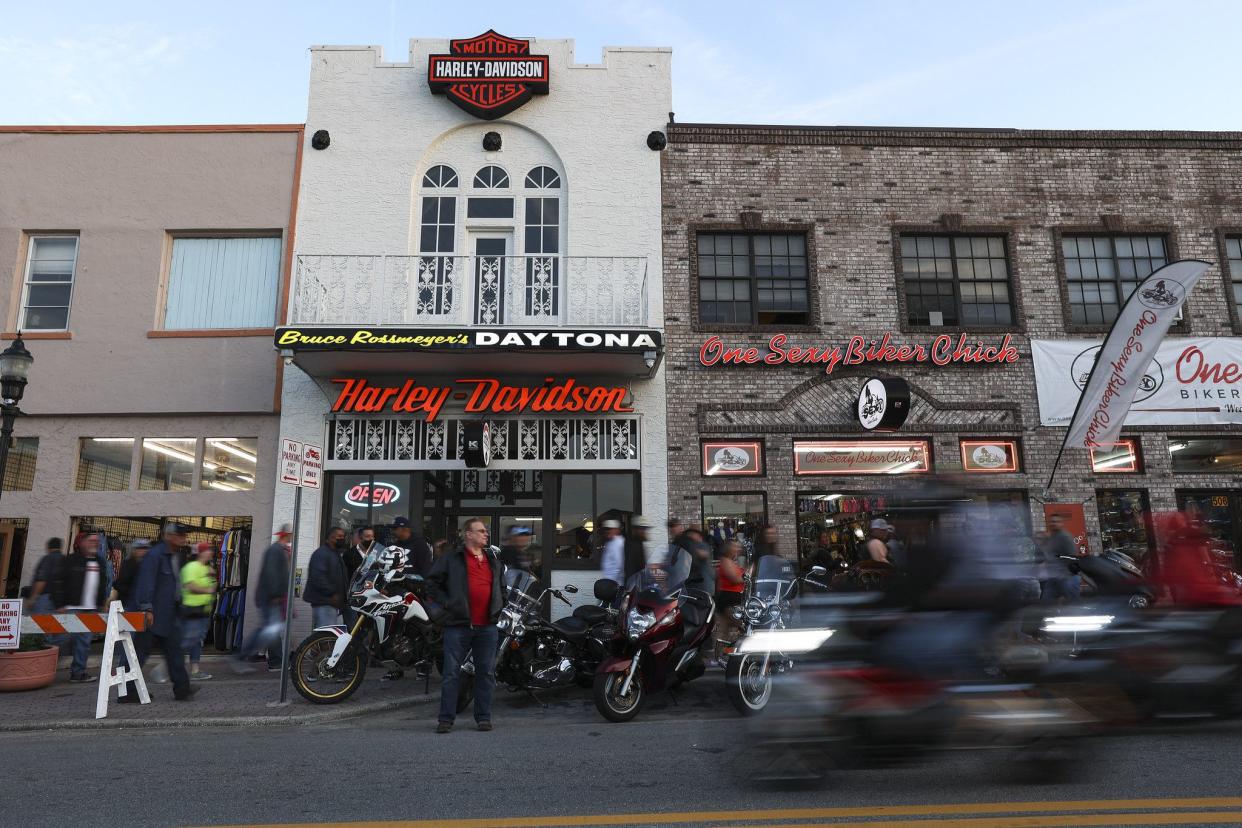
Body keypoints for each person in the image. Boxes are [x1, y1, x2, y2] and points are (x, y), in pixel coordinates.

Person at [426, 517, 503, 733]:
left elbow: (500, 585)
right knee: (451, 673)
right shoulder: (452, 558)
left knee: (486, 673)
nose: (486, 534)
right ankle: (446, 719)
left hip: (487, 626)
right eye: (481, 531)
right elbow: (431, 583)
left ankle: (483, 718)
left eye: (486, 531)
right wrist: (447, 603)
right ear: (468, 534)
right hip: (458, 625)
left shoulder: (492, 559)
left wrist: (500, 603)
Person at [130, 523, 194, 701]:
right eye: (179, 535)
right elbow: (146, 582)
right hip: (154, 614)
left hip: (169, 613)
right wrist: (146, 608)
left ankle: (182, 689)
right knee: (139, 654)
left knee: (175, 652)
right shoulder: (155, 555)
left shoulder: (175, 556)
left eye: (184, 535)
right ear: (168, 536)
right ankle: (128, 690)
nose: (183, 538)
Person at [233, 525, 292, 673]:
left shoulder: (280, 551)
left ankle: (275, 661)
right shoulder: (275, 551)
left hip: (273, 597)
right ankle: (271, 661)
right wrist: (275, 594)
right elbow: (271, 573)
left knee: (270, 630)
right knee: (269, 630)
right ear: (287, 535)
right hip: (271, 598)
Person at [59, 534, 110, 682]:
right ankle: (44, 667)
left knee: (84, 643)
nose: (95, 543)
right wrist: (60, 604)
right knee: (60, 640)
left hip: (90, 609)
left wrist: (102, 604)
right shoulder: (70, 560)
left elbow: (103, 584)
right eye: (91, 541)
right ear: (81, 543)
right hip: (71, 608)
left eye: (97, 541)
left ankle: (78, 673)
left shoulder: (100, 561)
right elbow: (60, 581)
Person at [180, 541, 217, 681]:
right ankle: (169, 665)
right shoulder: (191, 567)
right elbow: (190, 586)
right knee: (188, 640)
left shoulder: (206, 568)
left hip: (203, 611)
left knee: (196, 641)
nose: (211, 553)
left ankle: (195, 671)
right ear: (201, 553)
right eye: (208, 550)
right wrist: (208, 590)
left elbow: (213, 586)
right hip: (191, 610)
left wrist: (212, 577)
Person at [304, 527, 350, 629]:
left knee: (332, 635)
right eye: (339, 536)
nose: (342, 539)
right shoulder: (322, 554)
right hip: (325, 603)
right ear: (331, 537)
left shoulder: (335, 553)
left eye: (343, 536)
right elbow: (318, 577)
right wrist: (333, 593)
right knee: (326, 634)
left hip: (334, 604)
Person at [714, 540, 746, 663]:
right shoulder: (726, 561)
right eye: (735, 547)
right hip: (729, 600)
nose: (738, 549)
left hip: (731, 599)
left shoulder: (731, 562)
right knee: (743, 626)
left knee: (725, 631)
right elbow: (735, 579)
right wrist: (748, 573)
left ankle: (721, 656)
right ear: (729, 549)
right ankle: (732, 655)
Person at [1040, 513, 1081, 604]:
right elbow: (1049, 555)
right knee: (1046, 604)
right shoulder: (1050, 538)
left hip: (1067, 578)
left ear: (1061, 523)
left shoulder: (1065, 537)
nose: (1054, 523)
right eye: (1052, 522)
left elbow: (1073, 557)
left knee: (1072, 607)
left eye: (1057, 522)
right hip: (1054, 578)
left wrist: (1067, 574)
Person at [24, 537, 65, 614]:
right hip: (59, 602)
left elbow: (41, 580)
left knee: (38, 624)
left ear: (48, 547)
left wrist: (33, 598)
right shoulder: (65, 559)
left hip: (45, 600)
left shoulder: (47, 559)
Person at [111, 539, 150, 608]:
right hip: (127, 603)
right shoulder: (128, 564)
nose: (143, 551)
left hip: (138, 604)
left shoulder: (145, 565)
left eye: (145, 549)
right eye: (140, 548)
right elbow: (119, 584)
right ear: (134, 550)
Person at [600, 519, 625, 585]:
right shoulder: (609, 542)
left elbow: (619, 564)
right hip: (608, 581)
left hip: (615, 583)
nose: (607, 531)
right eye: (606, 529)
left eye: (610, 529)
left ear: (617, 530)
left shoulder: (619, 543)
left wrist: (612, 581)